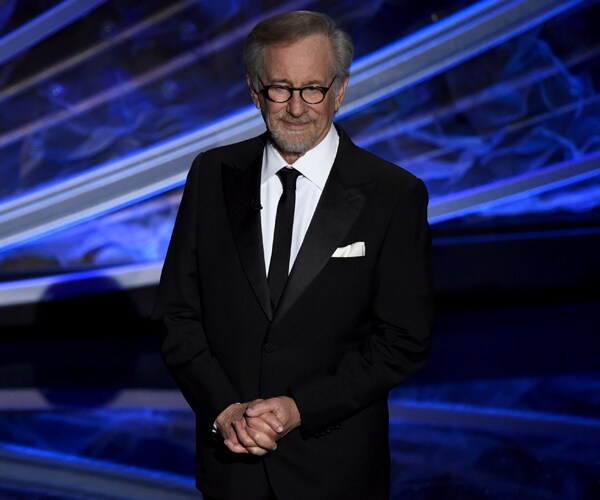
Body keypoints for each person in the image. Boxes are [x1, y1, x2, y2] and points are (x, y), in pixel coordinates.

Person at [152, 10, 435, 500]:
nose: (297, 107)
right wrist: (224, 411)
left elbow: (404, 338)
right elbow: (177, 314)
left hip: (337, 474)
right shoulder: (212, 175)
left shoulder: (393, 194)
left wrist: (301, 408)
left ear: (339, 91)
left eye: (313, 89)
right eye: (281, 88)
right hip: (232, 471)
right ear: (254, 90)